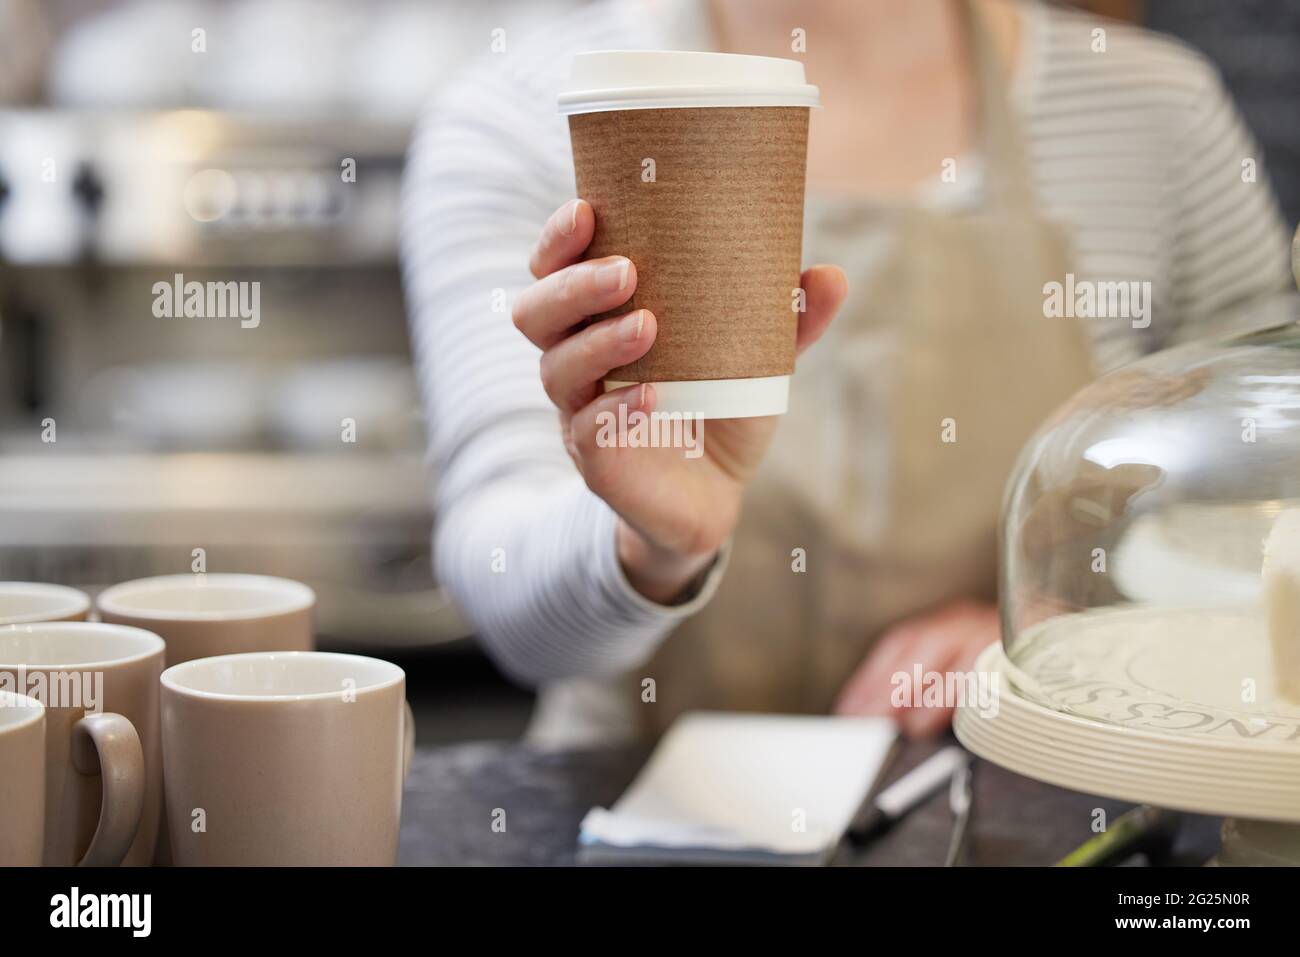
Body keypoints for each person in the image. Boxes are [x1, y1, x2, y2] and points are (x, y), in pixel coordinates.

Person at [401, 0, 1292, 745]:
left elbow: (1267, 504)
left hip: (1035, 798)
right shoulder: (527, 115)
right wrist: (649, 548)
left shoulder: (1153, 114)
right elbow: (502, 587)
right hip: (640, 816)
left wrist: (1065, 624)